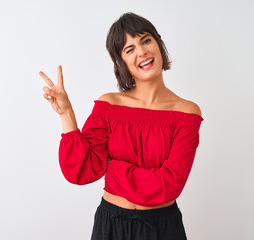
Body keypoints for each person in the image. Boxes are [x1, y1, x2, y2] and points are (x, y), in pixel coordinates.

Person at [39, 12, 204, 240]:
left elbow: (169, 184)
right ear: (120, 62)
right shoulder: (109, 105)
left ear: (158, 44)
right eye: (130, 49)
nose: (142, 52)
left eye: (146, 40)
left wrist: (113, 168)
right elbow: (82, 170)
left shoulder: (187, 113)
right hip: (111, 225)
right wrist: (66, 114)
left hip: (162, 228)